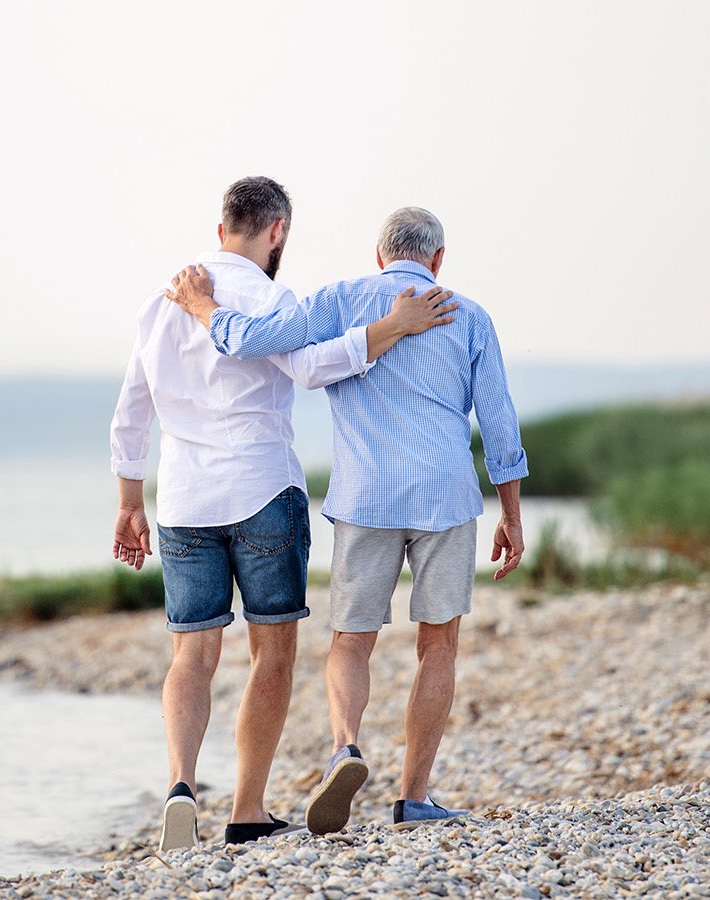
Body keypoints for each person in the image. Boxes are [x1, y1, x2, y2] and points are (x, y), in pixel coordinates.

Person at [109, 178, 458, 850]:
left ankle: (181, 784)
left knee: (192, 653)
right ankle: (245, 811)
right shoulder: (274, 299)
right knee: (272, 652)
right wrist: (391, 327)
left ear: (221, 230)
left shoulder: (164, 302)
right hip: (263, 488)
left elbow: (130, 411)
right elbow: (315, 367)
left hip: (183, 498)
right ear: (277, 233)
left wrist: (129, 502)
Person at [164, 206, 528, 833]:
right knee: (438, 645)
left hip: (365, 499)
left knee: (351, 641)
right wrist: (512, 514)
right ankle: (414, 799)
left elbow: (254, 342)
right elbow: (498, 422)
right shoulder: (469, 314)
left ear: (380, 255)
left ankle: (346, 745)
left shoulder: (338, 299)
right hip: (446, 497)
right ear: (437, 259)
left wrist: (202, 310)